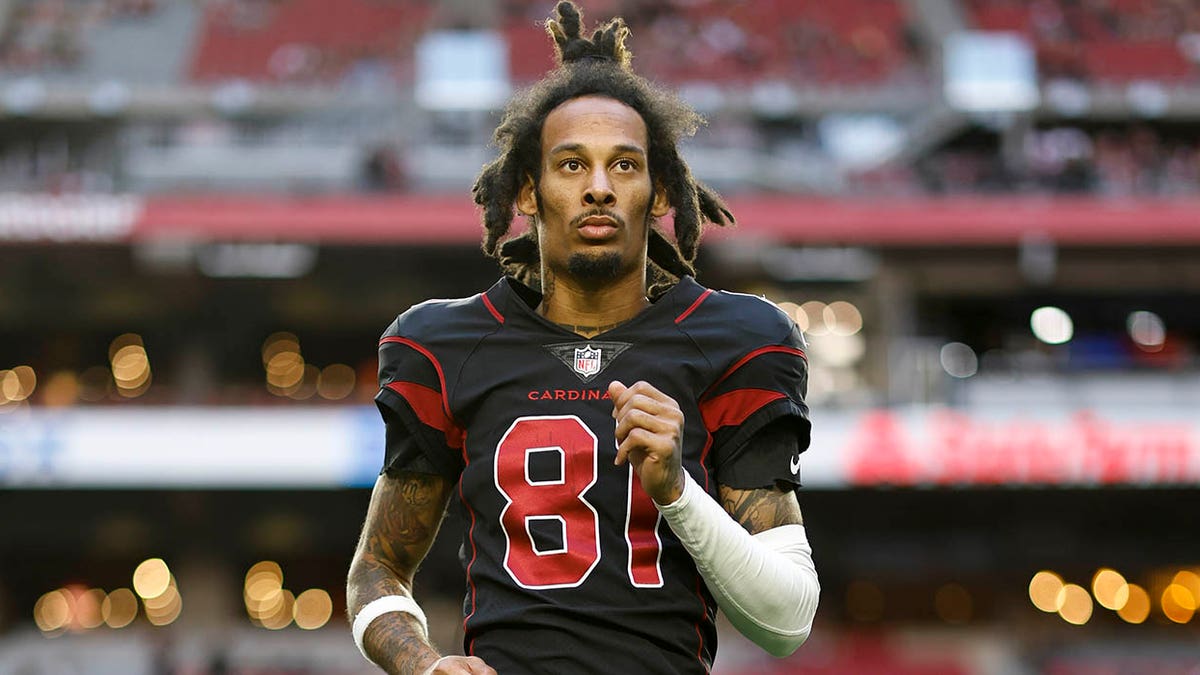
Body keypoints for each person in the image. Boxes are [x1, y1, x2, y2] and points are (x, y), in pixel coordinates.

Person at [346, 3, 820, 673]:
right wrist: (422, 664)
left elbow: (787, 621)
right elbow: (376, 568)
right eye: (571, 165)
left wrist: (678, 491)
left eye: (624, 166)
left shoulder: (737, 339)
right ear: (528, 192)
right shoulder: (445, 344)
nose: (598, 187)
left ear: (659, 194)